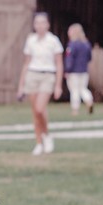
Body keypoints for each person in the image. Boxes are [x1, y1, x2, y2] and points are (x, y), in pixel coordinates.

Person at [17, 11, 64, 155]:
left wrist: (58, 85)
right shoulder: (31, 40)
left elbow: (59, 63)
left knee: (39, 108)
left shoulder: (53, 41)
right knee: (35, 112)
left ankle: (47, 135)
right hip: (32, 75)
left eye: (43, 22)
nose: (40, 25)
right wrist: (21, 85)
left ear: (48, 24)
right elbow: (26, 63)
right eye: (37, 22)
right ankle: (38, 142)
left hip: (47, 76)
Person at [64, 23, 94, 115]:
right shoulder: (87, 44)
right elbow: (89, 57)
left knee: (74, 90)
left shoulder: (72, 45)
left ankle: (75, 109)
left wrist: (67, 70)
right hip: (84, 71)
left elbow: (69, 59)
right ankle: (89, 101)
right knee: (83, 88)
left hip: (73, 72)